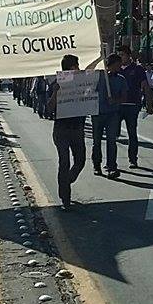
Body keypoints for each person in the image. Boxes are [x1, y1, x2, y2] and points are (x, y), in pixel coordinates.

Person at [46, 54, 87, 210]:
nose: (78, 68)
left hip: (77, 128)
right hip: (62, 129)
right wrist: (56, 92)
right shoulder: (57, 84)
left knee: (80, 160)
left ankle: (66, 180)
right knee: (64, 162)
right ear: (70, 68)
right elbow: (49, 108)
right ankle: (65, 198)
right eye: (76, 66)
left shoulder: (82, 83)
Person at [91, 54, 128, 179]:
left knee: (111, 141)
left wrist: (116, 100)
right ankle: (97, 165)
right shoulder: (99, 76)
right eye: (118, 65)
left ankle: (112, 167)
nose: (120, 67)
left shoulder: (121, 79)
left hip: (112, 114)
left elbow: (124, 97)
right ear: (111, 64)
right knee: (97, 141)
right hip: (98, 113)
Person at [118, 46, 153, 168]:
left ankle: (133, 159)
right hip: (117, 106)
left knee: (132, 133)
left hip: (132, 105)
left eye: (123, 55)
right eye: (119, 55)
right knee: (113, 133)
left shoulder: (137, 69)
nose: (121, 57)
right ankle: (111, 162)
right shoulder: (115, 69)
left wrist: (149, 104)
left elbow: (145, 86)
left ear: (129, 56)